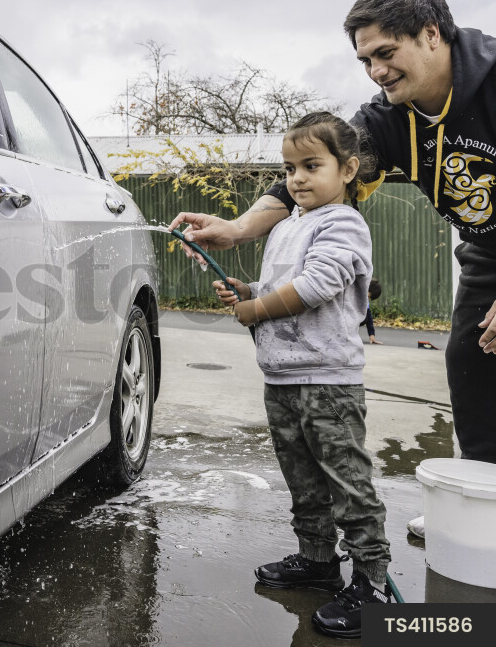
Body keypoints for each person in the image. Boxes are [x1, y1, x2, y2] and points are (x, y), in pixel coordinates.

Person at [171, 0, 496, 541]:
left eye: (385, 54)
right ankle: (480, 506)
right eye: (365, 59)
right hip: (487, 254)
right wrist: (239, 228)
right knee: (471, 368)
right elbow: (316, 176)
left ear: (431, 33)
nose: (375, 71)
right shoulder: (389, 117)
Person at [211, 112, 391, 639]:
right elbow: (279, 285)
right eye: (289, 168)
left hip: (328, 383)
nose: (297, 179)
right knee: (305, 482)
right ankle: (318, 561)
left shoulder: (343, 223)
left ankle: (371, 583)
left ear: (348, 168)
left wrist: (260, 309)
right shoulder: (288, 225)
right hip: (283, 380)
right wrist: (247, 292)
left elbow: (317, 285)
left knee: (348, 485)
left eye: (312, 166)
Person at [361, 278, 383, 344]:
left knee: (365, 318)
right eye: (369, 296)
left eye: (369, 297)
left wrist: (372, 335)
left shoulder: (365, 300)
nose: (368, 298)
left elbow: (369, 317)